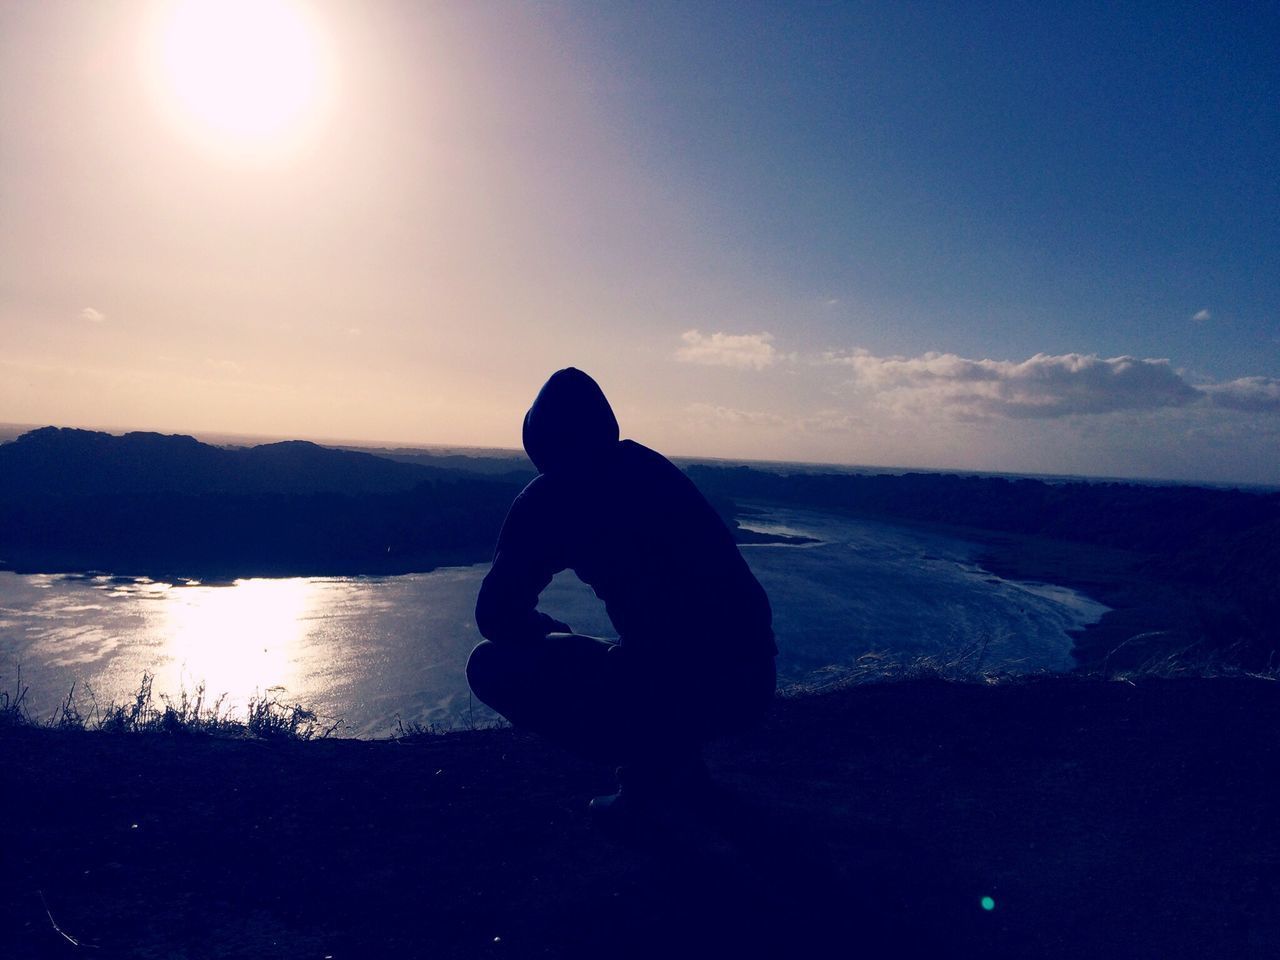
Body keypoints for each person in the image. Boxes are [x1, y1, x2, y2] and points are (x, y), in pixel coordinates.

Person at [467, 367, 776, 830]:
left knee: (489, 665)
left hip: (677, 685)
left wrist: (551, 632)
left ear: (538, 440)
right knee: (653, 655)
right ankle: (678, 773)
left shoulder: (549, 498)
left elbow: (496, 616)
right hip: (749, 682)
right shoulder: (652, 470)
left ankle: (646, 789)